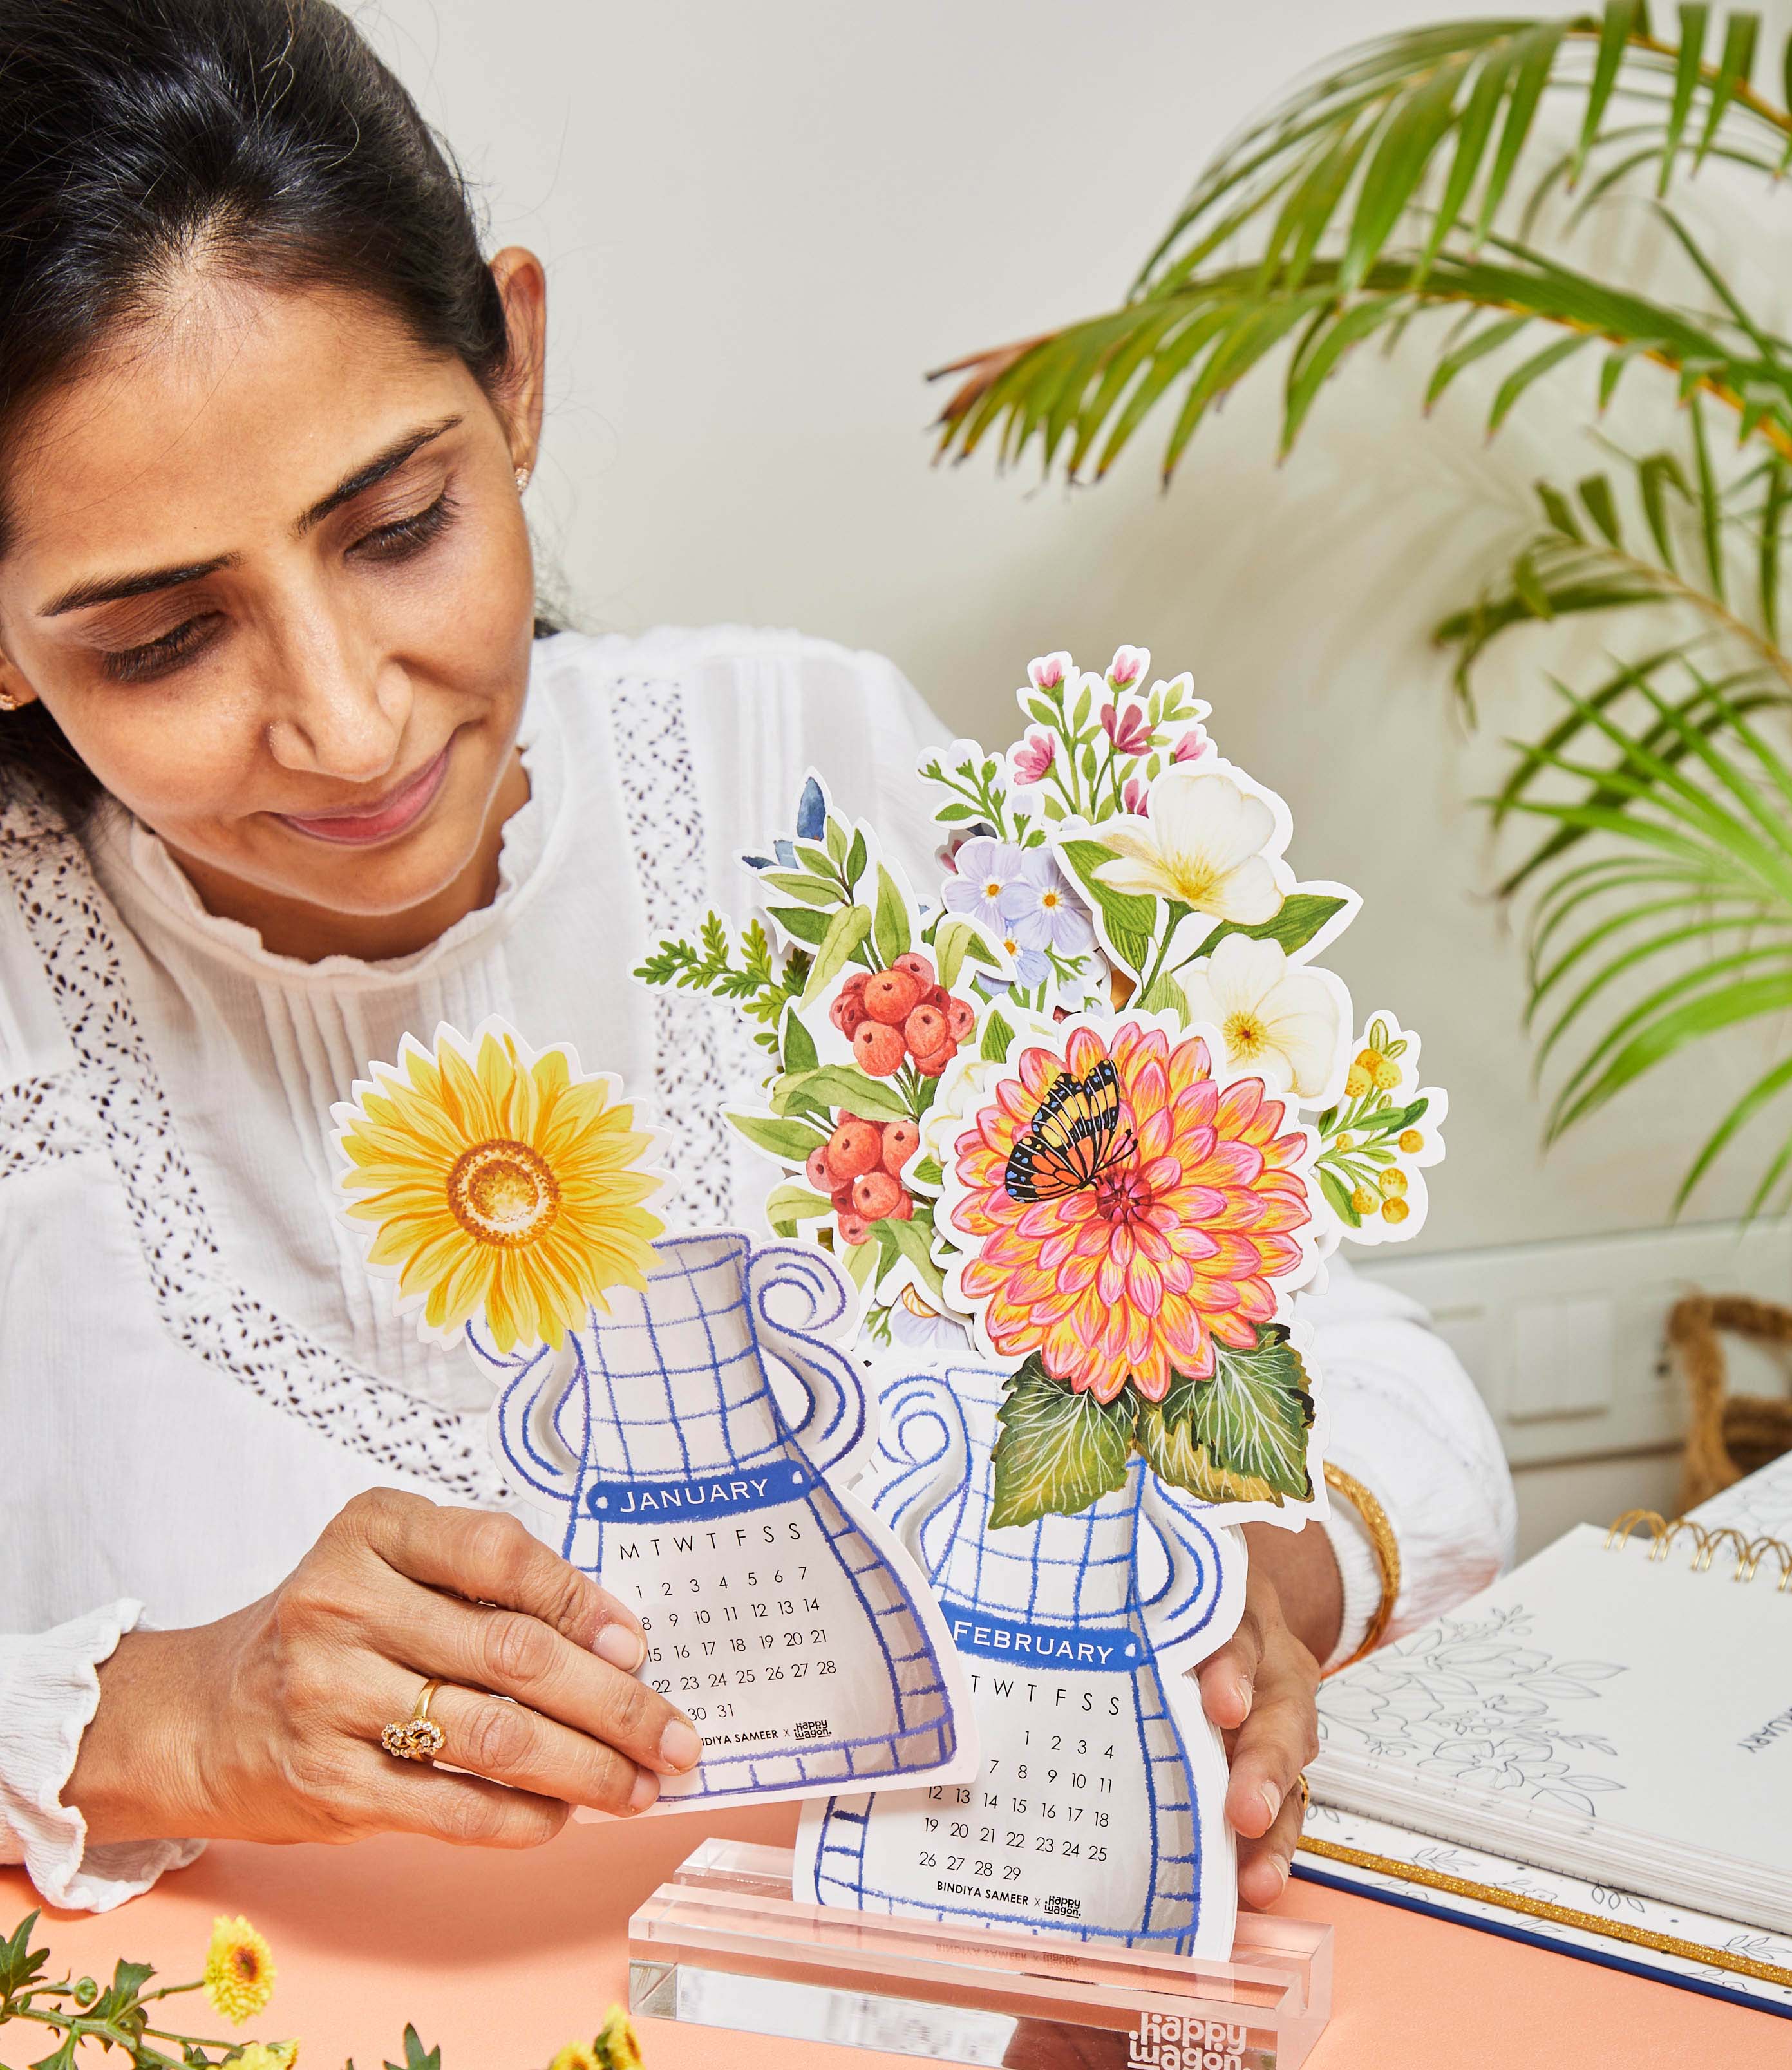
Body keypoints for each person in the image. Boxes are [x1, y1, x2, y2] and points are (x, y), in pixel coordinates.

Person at [0, 0, 1513, 1918]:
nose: (351, 723)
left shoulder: (807, 783)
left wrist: (1234, 1596)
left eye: (399, 528)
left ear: (515, 374)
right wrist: (159, 1718)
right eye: (158, 641)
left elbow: (1364, 1381)